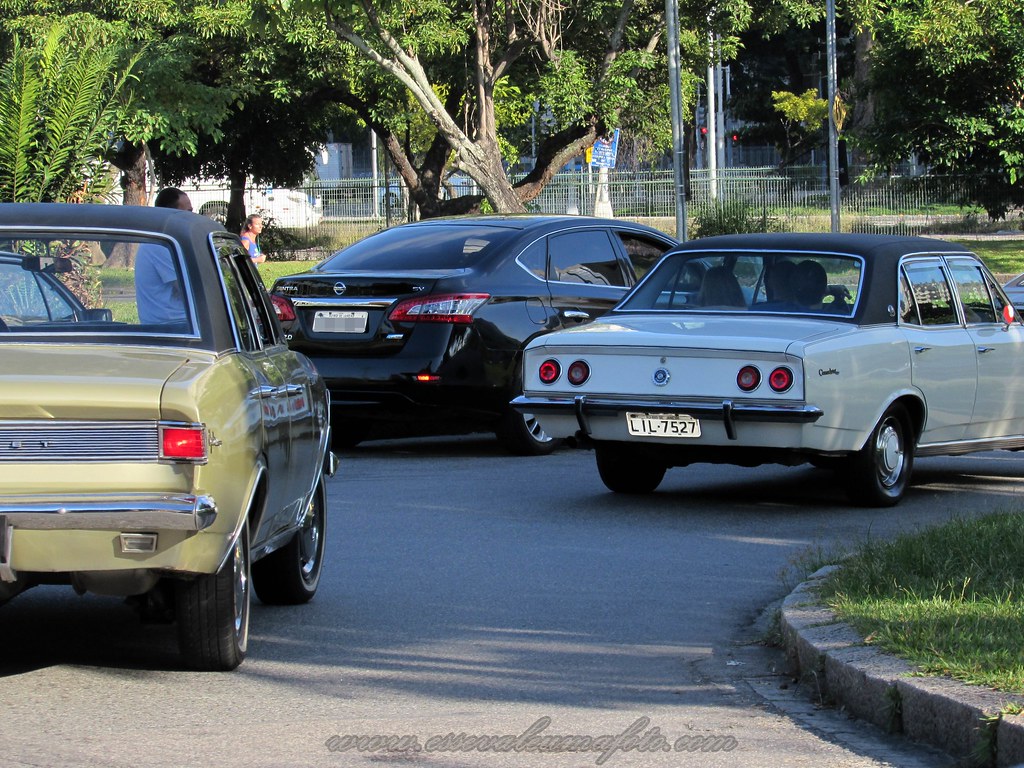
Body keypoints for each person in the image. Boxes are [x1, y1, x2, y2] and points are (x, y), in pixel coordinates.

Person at [134, 187, 191, 326]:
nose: (192, 217)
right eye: (188, 212)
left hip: (177, 323)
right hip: (170, 326)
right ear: (170, 213)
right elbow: (189, 290)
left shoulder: (167, 241)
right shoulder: (159, 245)